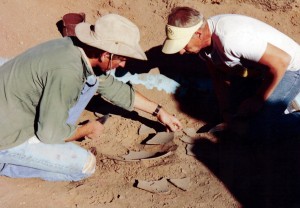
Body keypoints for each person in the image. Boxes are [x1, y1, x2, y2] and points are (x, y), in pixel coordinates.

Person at [0, 14, 182, 181]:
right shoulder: (67, 73)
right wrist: (85, 130)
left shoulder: (74, 47)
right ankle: (7, 164)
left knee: (91, 83)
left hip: (10, 100)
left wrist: (159, 112)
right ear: (106, 55)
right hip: (7, 134)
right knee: (85, 166)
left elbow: (112, 87)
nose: (124, 64)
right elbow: (49, 134)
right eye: (122, 59)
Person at [162, 6, 300, 141]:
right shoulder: (204, 46)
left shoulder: (230, 39)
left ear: (198, 34)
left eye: (183, 44)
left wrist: (259, 98)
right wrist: (226, 112)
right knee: (241, 118)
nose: (181, 52)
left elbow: (282, 61)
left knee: (258, 127)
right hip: (265, 72)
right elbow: (218, 78)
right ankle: (289, 102)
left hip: (291, 68)